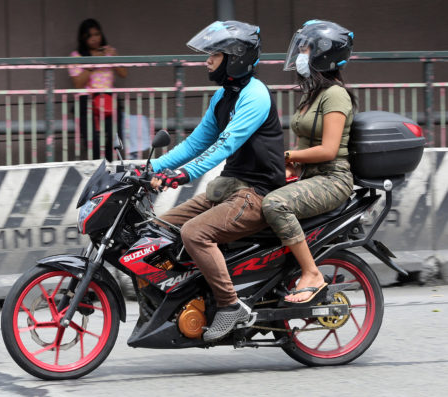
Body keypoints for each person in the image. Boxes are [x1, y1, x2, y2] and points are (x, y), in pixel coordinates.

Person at [149, 21, 285, 342]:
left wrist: (182, 175)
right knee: (159, 231)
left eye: (214, 54)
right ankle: (188, 299)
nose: (207, 61)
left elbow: (225, 144)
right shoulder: (223, 96)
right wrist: (150, 168)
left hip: (256, 192)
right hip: (229, 188)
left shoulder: (255, 96)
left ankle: (230, 305)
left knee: (194, 233)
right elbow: (195, 143)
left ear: (235, 57)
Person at [261, 20, 357, 304]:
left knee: (274, 204)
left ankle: (311, 273)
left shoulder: (335, 95)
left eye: (305, 49)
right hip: (310, 176)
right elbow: (305, 145)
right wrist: (290, 165)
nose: (300, 55)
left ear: (322, 54)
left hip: (332, 179)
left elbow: (328, 150)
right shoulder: (311, 93)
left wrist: (287, 156)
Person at [68, 18, 127, 161]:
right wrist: (93, 61)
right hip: (87, 98)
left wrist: (114, 57)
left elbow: (123, 73)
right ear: (83, 38)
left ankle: (110, 161)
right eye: (90, 36)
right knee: (91, 136)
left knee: (115, 132)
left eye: (97, 34)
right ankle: (96, 163)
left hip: (108, 97)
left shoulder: (109, 52)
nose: (94, 39)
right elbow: (77, 84)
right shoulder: (76, 56)